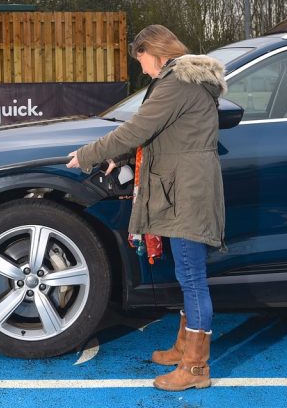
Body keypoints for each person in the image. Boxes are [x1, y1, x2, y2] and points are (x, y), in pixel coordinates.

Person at [66, 24, 225, 391]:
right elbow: (157, 131)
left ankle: (196, 367)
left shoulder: (175, 83)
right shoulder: (184, 80)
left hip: (185, 189)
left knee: (192, 277)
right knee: (187, 272)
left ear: (155, 52)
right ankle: (185, 347)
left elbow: (137, 129)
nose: (143, 69)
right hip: (185, 185)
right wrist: (118, 157)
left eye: (142, 61)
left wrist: (89, 154)